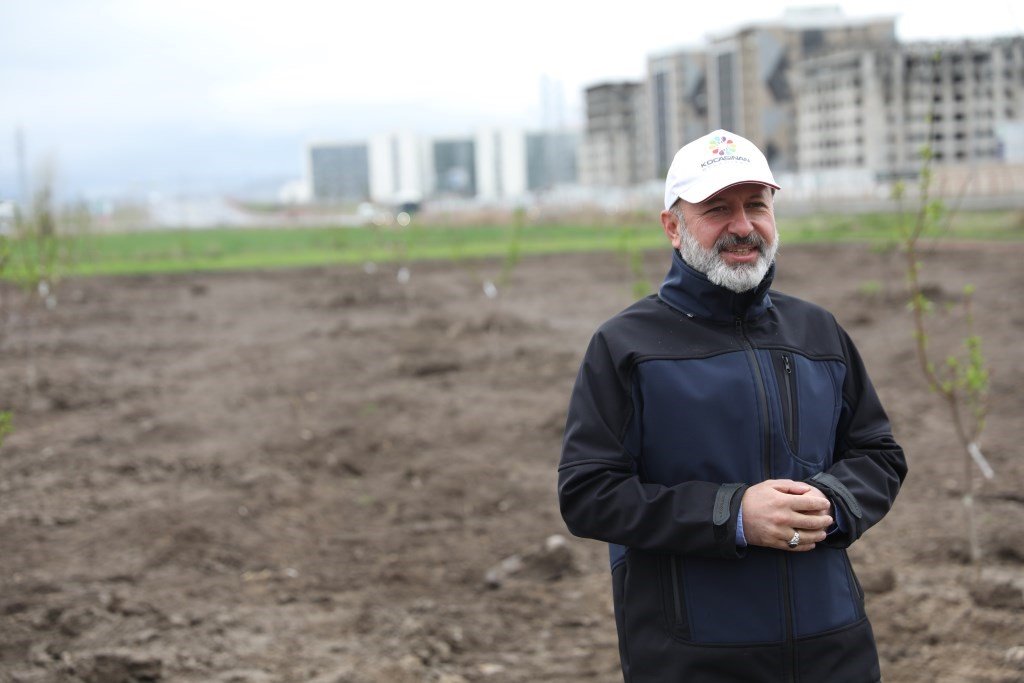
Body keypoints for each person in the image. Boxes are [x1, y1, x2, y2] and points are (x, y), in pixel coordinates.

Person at [558, 129, 907, 683]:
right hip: (693, 657)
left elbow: (879, 454)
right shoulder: (626, 346)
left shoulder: (818, 332)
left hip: (834, 647)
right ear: (673, 226)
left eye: (756, 206)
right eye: (717, 208)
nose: (743, 226)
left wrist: (831, 502)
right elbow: (588, 494)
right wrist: (733, 516)